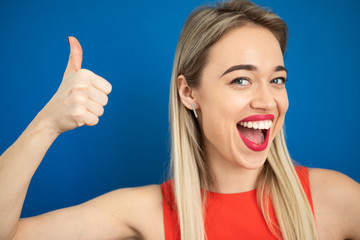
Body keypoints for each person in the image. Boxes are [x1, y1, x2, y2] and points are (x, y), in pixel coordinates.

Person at [0, 0, 359, 239]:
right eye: (241, 80)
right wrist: (46, 125)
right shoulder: (148, 212)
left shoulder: (334, 198)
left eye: (277, 79)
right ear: (189, 93)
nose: (268, 100)